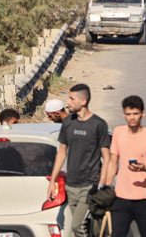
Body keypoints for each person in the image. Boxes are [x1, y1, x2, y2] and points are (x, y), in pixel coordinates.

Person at [47, 84, 111, 237]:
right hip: (71, 186)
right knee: (82, 227)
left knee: (77, 226)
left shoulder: (98, 124)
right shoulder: (68, 123)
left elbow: (107, 157)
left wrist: (102, 183)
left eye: (71, 98)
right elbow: (62, 152)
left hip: (89, 185)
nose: (68, 102)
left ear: (83, 101)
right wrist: (52, 180)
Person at [104, 95, 146, 237]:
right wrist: (106, 190)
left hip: (144, 199)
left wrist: (145, 168)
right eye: (128, 114)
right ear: (124, 114)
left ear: (143, 114)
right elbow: (112, 163)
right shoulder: (118, 132)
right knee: (116, 234)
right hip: (121, 197)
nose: (131, 118)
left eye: (135, 114)